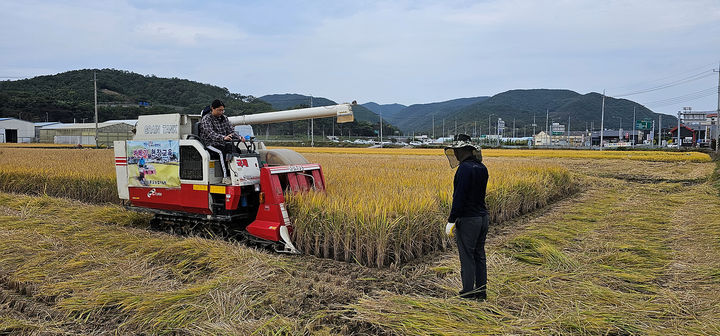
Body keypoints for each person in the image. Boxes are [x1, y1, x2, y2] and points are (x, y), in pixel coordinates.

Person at [444, 134, 489, 301]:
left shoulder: (464, 169)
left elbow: (459, 197)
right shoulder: (481, 167)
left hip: (469, 219)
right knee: (479, 255)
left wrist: (451, 220)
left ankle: (468, 293)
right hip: (483, 218)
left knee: (467, 257)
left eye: (456, 150)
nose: (455, 154)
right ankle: (481, 293)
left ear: (463, 150)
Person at [198, 99, 242, 182]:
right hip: (210, 143)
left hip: (222, 143)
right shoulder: (206, 119)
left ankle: (237, 173)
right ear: (212, 109)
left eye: (222, 110)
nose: (221, 112)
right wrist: (223, 137)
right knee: (222, 153)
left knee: (236, 150)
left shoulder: (224, 118)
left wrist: (239, 137)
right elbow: (210, 134)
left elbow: (231, 130)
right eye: (219, 110)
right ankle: (226, 177)